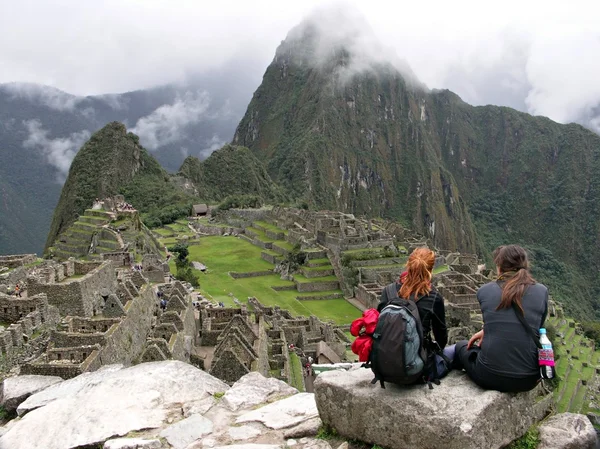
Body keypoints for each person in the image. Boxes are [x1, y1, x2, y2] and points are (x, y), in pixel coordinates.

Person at [452, 245, 548, 392]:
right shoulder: (542, 291)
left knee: (461, 347)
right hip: (529, 379)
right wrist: (488, 330)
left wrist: (487, 330)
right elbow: (536, 328)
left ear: (499, 266)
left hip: (490, 375)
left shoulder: (485, 291)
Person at [377, 247, 448, 353]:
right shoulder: (433, 297)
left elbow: (379, 326)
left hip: (385, 360)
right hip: (415, 364)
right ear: (431, 269)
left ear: (408, 265)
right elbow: (441, 338)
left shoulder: (388, 291)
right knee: (457, 349)